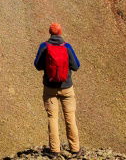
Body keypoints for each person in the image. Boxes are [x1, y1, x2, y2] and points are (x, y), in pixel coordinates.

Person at [33, 23, 81, 156]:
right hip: (67, 88)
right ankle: (75, 149)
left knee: (52, 118)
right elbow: (76, 66)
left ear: (50, 33)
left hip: (50, 88)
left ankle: (54, 150)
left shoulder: (44, 46)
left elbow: (37, 65)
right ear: (60, 32)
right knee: (70, 117)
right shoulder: (67, 47)